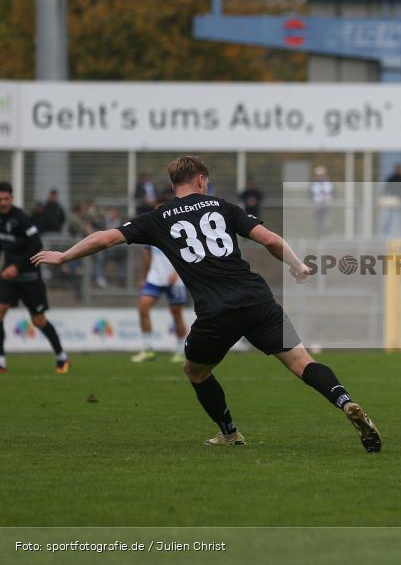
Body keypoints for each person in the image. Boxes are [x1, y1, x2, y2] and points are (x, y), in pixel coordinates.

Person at [33, 156, 381, 452]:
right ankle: (344, 401)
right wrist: (297, 265)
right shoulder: (222, 206)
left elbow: (105, 237)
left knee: (195, 372)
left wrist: (65, 256)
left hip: (217, 312)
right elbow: (270, 239)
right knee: (302, 362)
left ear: (174, 184)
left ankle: (229, 433)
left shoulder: (159, 217)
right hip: (258, 300)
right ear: (201, 180)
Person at [0, 182, 70, 374]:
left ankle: (61, 356)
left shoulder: (21, 217)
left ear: (12, 199)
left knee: (38, 321)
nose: (3, 203)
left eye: (6, 199)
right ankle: (1, 361)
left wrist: (17, 266)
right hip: (8, 278)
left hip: (29, 277)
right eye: (0, 200)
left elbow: (36, 243)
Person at [130, 245, 188, 364]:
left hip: (175, 279)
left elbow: (185, 253)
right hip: (155, 278)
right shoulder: (151, 229)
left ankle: (180, 351)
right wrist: (144, 277)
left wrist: (176, 272)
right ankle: (148, 350)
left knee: (177, 315)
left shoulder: (177, 230)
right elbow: (148, 255)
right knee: (143, 308)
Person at [380, 165, 401, 238]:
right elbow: (386, 189)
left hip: (399, 202)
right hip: (391, 202)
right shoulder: (392, 178)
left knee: (398, 221)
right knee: (389, 220)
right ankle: (386, 237)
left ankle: (399, 236)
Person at [310, 166, 333, 237]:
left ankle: (325, 233)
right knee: (318, 219)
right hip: (317, 203)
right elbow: (311, 193)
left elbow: (331, 192)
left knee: (326, 218)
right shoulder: (314, 183)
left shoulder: (328, 182)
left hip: (326, 204)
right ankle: (319, 233)